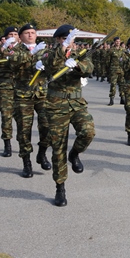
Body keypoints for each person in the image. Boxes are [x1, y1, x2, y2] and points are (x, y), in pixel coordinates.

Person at [43, 24, 96, 206]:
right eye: (68, 39)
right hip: (56, 105)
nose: (72, 42)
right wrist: (62, 52)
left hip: (76, 103)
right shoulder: (50, 54)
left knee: (88, 132)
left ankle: (74, 154)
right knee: (58, 147)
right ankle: (60, 187)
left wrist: (77, 66)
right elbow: (49, 65)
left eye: (73, 39)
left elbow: (89, 68)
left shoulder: (79, 54)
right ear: (60, 39)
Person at [6, 23, 51, 177]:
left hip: (42, 94)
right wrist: (32, 54)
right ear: (20, 36)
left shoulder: (45, 50)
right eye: (27, 33)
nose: (30, 35)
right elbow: (13, 62)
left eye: (33, 32)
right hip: (23, 95)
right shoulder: (15, 49)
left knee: (48, 126)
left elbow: (53, 64)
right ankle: (26, 162)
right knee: (24, 130)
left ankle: (42, 153)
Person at [0, 26, 19, 157]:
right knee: (6, 116)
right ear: (6, 36)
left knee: (22, 119)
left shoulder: (23, 49)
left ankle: (22, 144)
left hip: (21, 87)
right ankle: (7, 144)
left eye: (15, 33)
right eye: (11, 34)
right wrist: (4, 49)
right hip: (5, 87)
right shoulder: (0, 49)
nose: (13, 36)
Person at [107, 37, 125, 105]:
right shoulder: (111, 50)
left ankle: (122, 98)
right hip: (113, 69)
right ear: (114, 42)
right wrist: (109, 69)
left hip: (121, 69)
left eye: (119, 41)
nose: (118, 42)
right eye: (117, 41)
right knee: (113, 84)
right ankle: (111, 98)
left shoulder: (123, 50)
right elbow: (108, 60)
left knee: (122, 84)